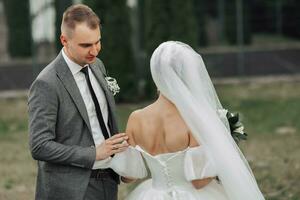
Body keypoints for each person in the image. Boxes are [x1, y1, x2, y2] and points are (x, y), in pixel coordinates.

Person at [105, 41, 265, 200]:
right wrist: (221, 149)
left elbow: (129, 177)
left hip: (152, 193)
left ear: (155, 73)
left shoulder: (136, 118)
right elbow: (198, 181)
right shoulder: (192, 119)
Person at [28, 4, 128, 200]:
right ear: (64, 40)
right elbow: (39, 145)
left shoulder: (97, 66)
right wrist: (93, 154)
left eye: (98, 42)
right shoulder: (46, 83)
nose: (95, 51)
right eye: (86, 45)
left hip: (109, 181)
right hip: (71, 190)